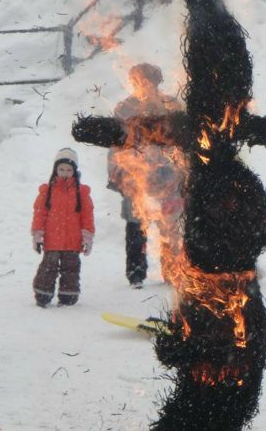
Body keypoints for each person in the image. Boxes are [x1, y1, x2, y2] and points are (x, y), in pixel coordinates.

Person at [107, 63, 183, 288]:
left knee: (171, 227)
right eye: (138, 81)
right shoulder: (125, 108)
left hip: (168, 177)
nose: (143, 86)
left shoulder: (171, 106)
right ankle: (136, 273)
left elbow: (182, 141)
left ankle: (173, 271)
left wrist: (182, 170)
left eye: (147, 81)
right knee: (135, 227)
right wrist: (117, 174)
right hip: (135, 176)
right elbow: (116, 144)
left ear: (156, 82)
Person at [32, 147, 96, 306]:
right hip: (52, 239)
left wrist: (87, 237)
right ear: (55, 170)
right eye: (61, 169)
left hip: (73, 240)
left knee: (71, 268)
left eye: (68, 169)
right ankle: (43, 294)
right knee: (48, 267)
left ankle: (68, 295)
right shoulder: (47, 192)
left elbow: (87, 216)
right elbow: (40, 213)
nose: (65, 172)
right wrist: (37, 234)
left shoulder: (81, 193)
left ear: (74, 171)